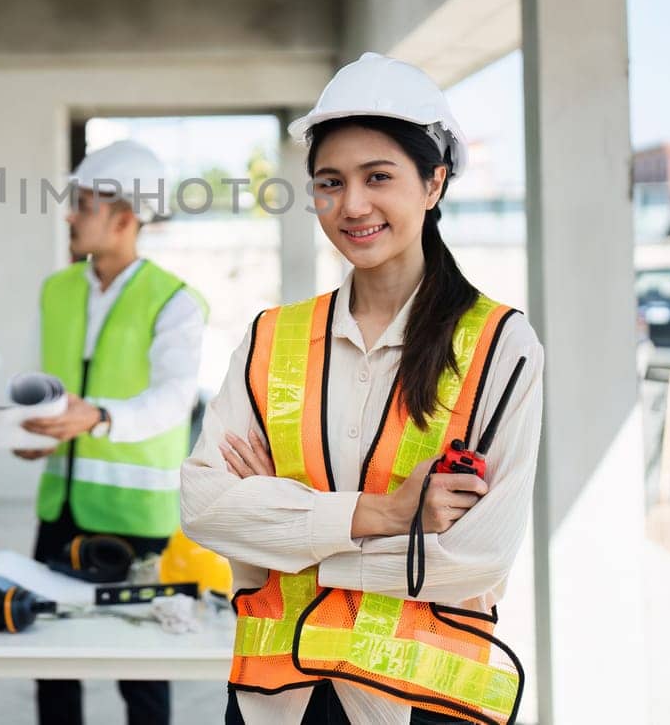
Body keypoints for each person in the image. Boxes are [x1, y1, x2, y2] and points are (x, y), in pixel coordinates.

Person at [181, 54, 544, 725]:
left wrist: (286, 531)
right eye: (330, 181)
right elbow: (204, 507)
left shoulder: (500, 347)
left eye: (378, 177)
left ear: (434, 182)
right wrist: (380, 515)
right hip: (274, 704)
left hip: (422, 703)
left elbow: (474, 556)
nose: (352, 204)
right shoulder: (271, 337)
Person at [16, 140, 207, 725]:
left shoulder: (175, 302)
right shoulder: (56, 290)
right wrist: (33, 430)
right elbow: (41, 386)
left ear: (125, 218)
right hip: (60, 509)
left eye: (82, 203)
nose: (70, 214)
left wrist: (97, 416)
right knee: (50, 658)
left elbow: (173, 401)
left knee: (141, 672)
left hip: (135, 519)